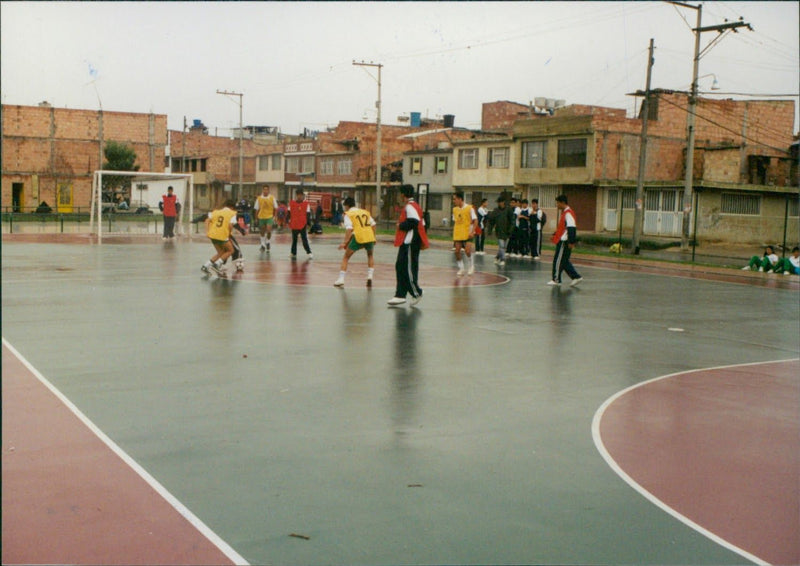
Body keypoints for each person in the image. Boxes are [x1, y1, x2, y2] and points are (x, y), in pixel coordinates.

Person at [388, 184, 429, 306]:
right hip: (408, 241)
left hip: (410, 242)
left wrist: (400, 225)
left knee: (408, 268)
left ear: (402, 194)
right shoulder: (414, 206)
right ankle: (400, 295)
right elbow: (423, 222)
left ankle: (416, 292)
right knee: (400, 266)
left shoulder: (410, 207)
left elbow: (414, 221)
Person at [334, 197, 376, 288]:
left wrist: (345, 243)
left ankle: (341, 279)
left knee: (346, 257)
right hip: (369, 236)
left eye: (345, 206)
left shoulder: (348, 214)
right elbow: (373, 224)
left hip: (358, 236)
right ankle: (370, 276)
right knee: (370, 255)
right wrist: (373, 237)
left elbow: (349, 229)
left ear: (347, 205)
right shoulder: (364, 212)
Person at [201, 199, 246, 276]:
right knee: (230, 250)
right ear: (232, 207)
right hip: (222, 235)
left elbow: (207, 220)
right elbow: (230, 225)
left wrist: (207, 232)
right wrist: (229, 233)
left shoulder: (216, 212)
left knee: (221, 252)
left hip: (212, 234)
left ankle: (205, 266)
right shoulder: (232, 213)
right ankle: (217, 265)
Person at [548, 194, 582, 287]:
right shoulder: (565, 213)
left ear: (562, 203)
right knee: (564, 261)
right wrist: (555, 235)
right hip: (563, 239)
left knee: (558, 260)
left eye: (558, 203)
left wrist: (571, 241)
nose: (557, 205)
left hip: (564, 241)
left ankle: (556, 279)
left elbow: (572, 228)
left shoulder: (568, 213)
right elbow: (563, 228)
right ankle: (576, 277)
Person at [452, 190, 477, 276]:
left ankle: (471, 266)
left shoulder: (470, 208)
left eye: (455, 199)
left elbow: (475, 220)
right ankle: (461, 268)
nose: (453, 201)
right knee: (457, 251)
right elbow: (455, 220)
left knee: (467, 251)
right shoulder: (455, 209)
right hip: (458, 232)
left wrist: (472, 231)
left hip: (468, 232)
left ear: (460, 199)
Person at [488, 196, 514, 266]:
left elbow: (512, 221)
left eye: (500, 202)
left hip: (507, 231)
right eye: (498, 202)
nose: (499, 204)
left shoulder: (509, 210)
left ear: (503, 202)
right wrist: (489, 230)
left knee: (503, 247)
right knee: (501, 246)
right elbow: (491, 221)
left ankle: (497, 257)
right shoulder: (496, 211)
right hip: (499, 231)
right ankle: (503, 259)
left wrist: (511, 229)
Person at [288, 189, 313, 259]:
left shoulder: (306, 204)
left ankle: (309, 252)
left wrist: (308, 223)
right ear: (296, 196)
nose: (299, 196)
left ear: (303, 196)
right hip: (294, 224)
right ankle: (293, 252)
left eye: (301, 195)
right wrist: (288, 220)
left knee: (304, 239)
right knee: (294, 240)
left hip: (302, 224)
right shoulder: (292, 203)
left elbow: (308, 214)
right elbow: (289, 213)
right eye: (298, 195)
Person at [254, 185, 277, 252]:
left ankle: (268, 242)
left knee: (269, 230)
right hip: (261, 216)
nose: (265, 191)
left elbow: (275, 208)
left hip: (269, 216)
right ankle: (262, 245)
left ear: (268, 190)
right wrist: (256, 218)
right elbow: (256, 209)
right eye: (264, 189)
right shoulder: (259, 198)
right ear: (263, 190)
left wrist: (275, 216)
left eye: (267, 189)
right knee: (262, 231)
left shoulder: (272, 198)